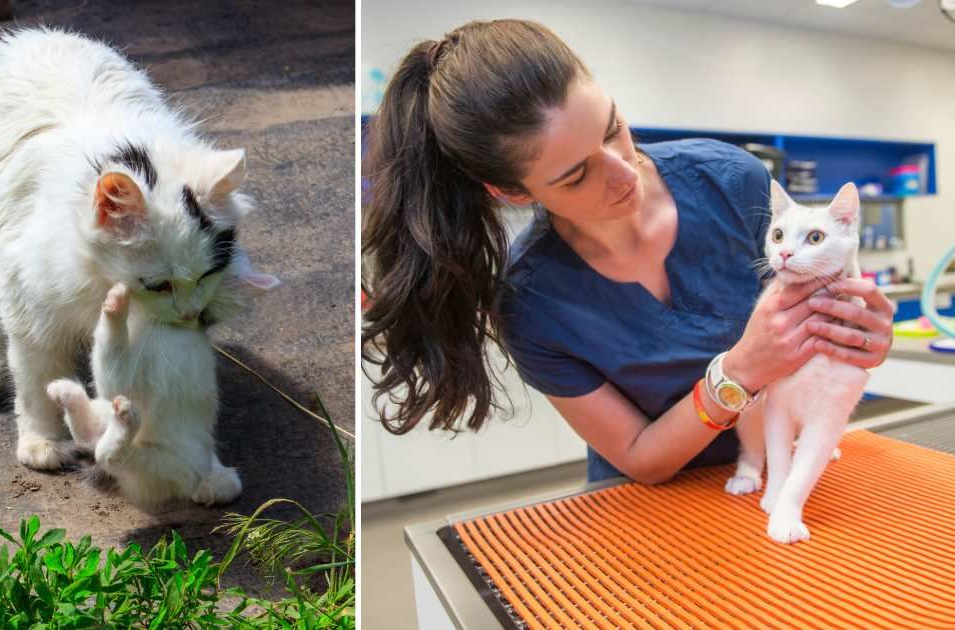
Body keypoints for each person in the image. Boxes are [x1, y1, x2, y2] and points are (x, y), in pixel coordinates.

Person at [361, 19, 893, 484]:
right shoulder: (534, 302)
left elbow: (816, 331)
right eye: (575, 175)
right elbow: (642, 459)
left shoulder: (732, 181)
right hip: (647, 516)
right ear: (512, 193)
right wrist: (737, 372)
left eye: (612, 128)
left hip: (791, 470)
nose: (623, 172)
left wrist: (856, 334)